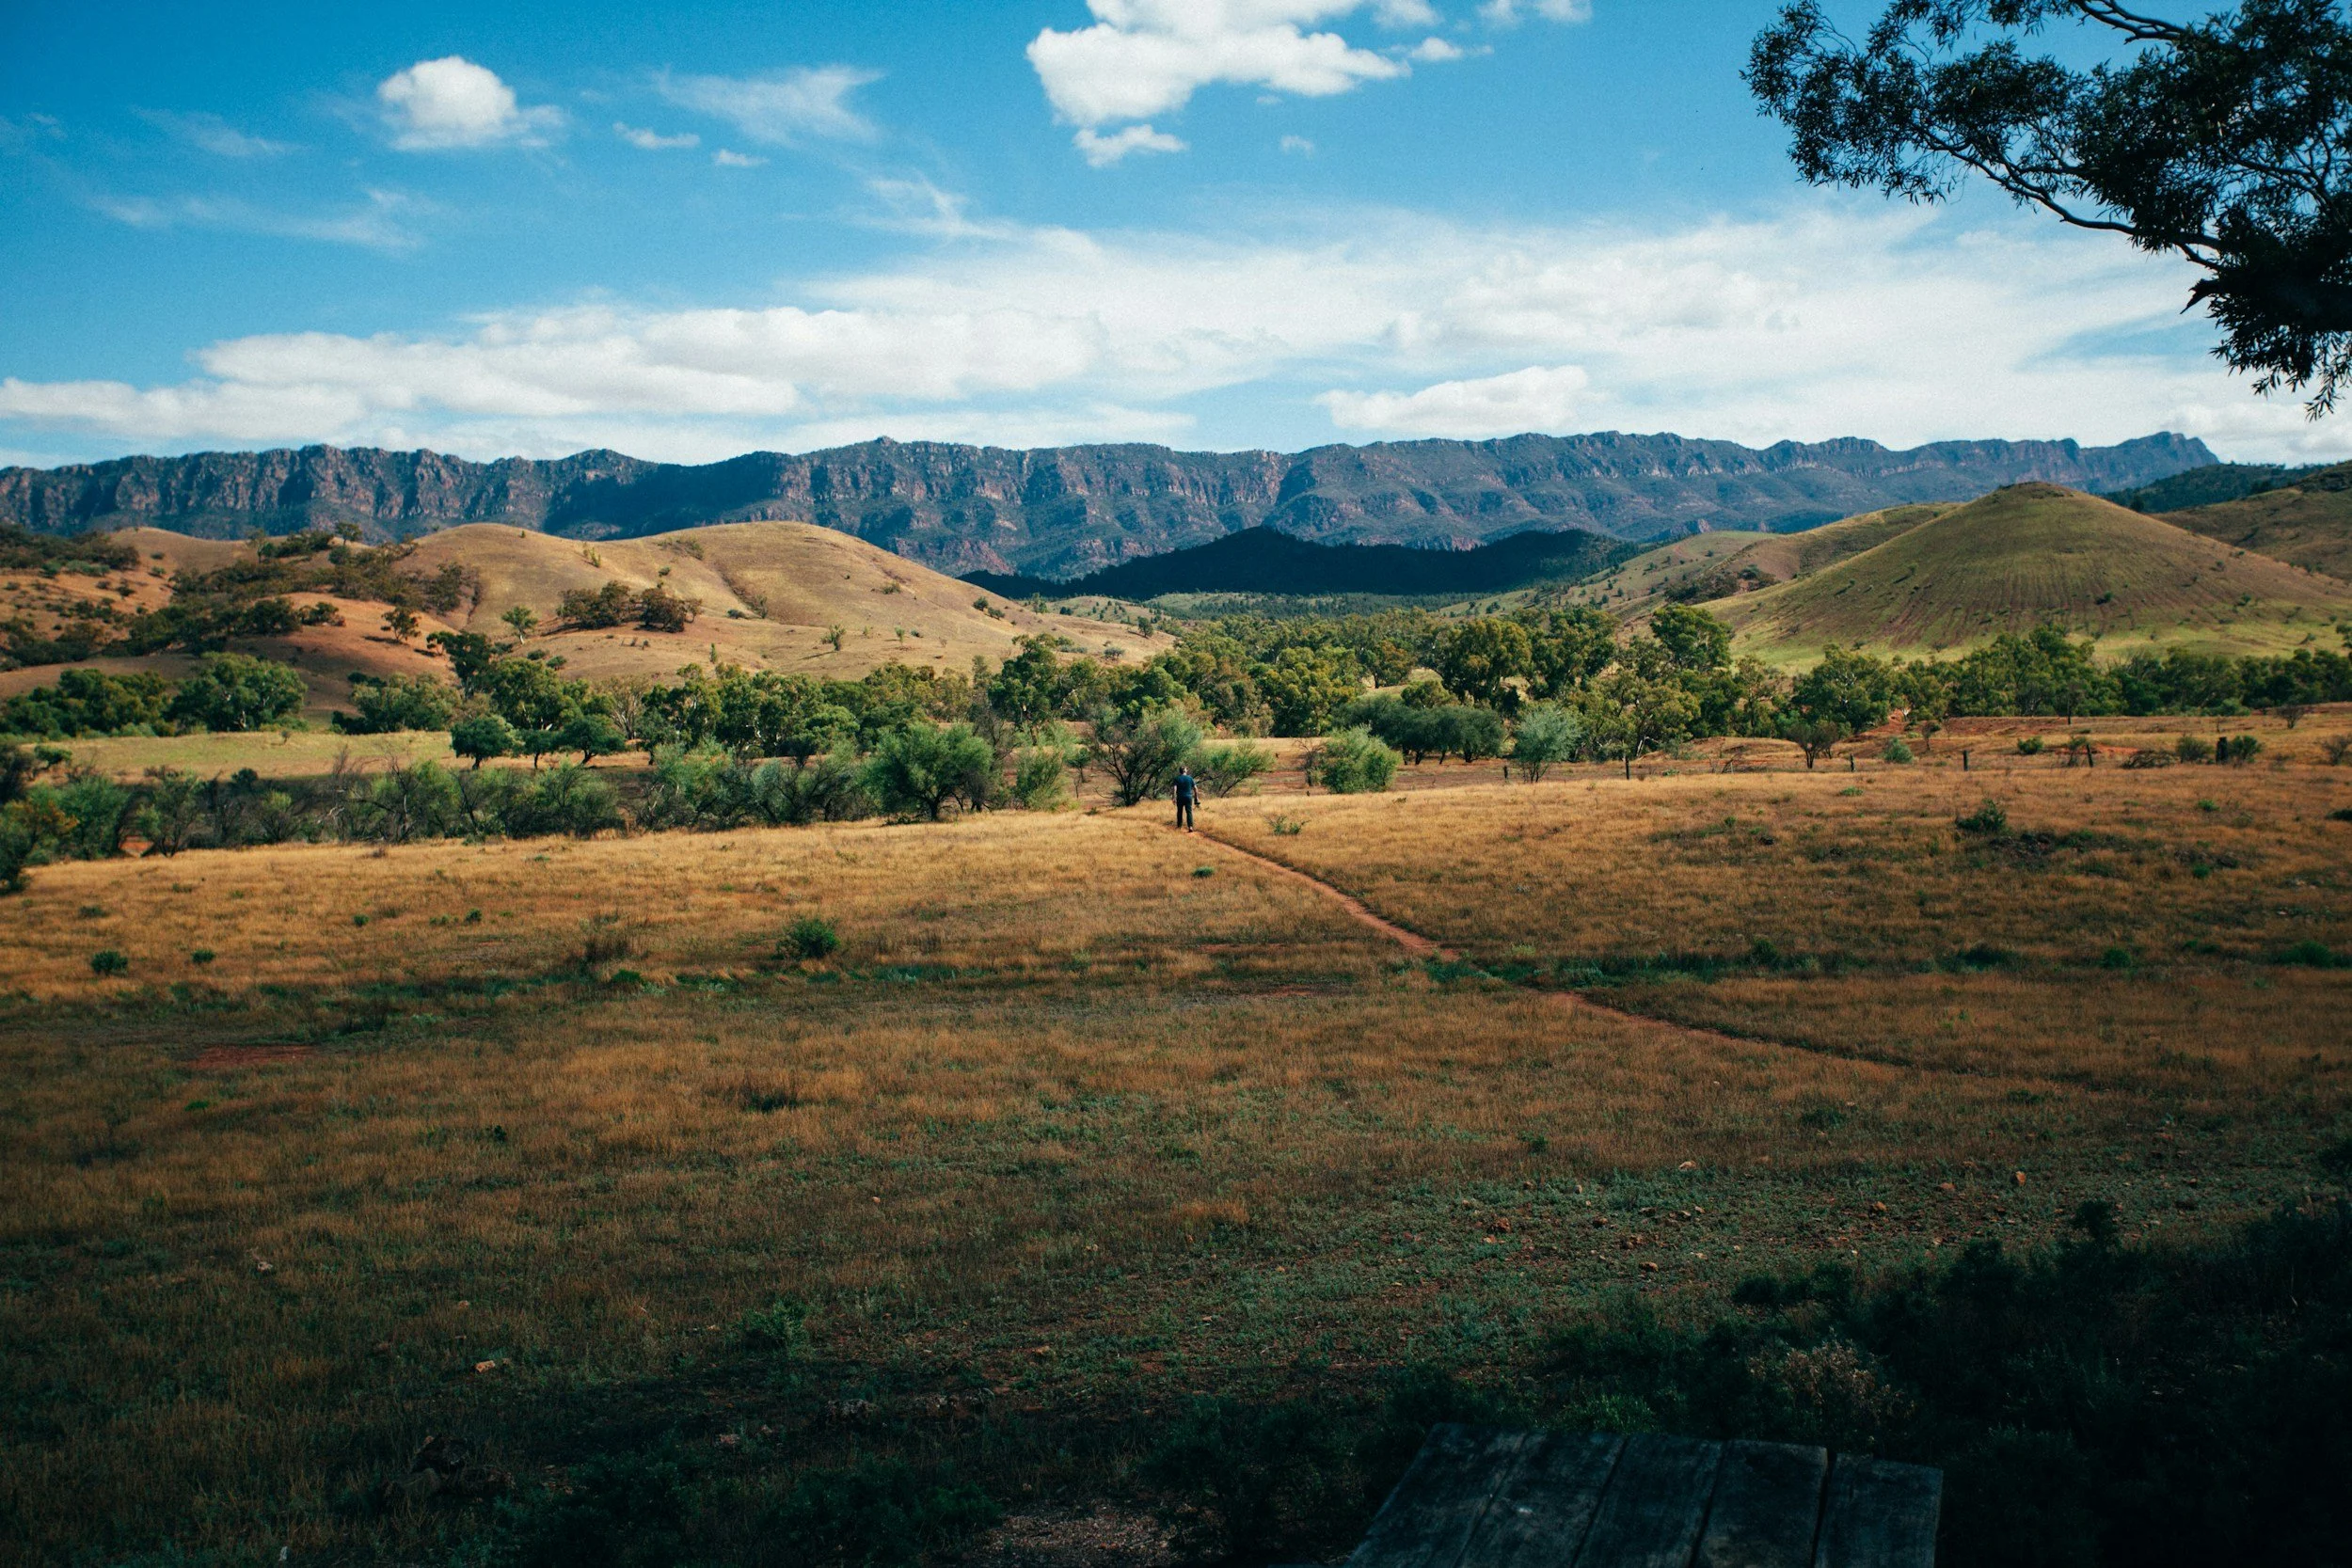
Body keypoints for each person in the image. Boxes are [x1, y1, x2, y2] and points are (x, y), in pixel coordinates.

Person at [1173, 765, 1198, 831]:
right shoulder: (1190, 778)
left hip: (1180, 797)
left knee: (1179, 811)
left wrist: (1174, 798)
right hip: (1188, 797)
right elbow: (1195, 788)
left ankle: (1179, 827)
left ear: (1180, 771)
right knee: (1189, 812)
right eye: (1186, 769)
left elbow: (1175, 789)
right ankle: (1190, 827)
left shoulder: (1177, 778)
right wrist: (1196, 798)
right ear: (1185, 771)